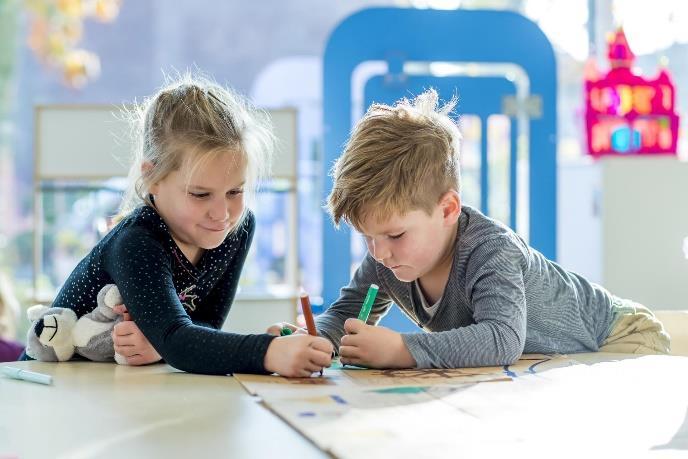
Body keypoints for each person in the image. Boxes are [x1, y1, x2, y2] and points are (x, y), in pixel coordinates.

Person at [271, 89, 670, 369]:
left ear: (447, 209)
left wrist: (402, 349)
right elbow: (342, 314)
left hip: (619, 336)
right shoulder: (385, 258)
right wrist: (314, 337)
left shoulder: (489, 249)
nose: (379, 252)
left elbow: (501, 339)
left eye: (394, 235)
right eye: (368, 237)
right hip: (555, 360)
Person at [22, 74, 332, 377]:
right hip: (49, 388)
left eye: (235, 191)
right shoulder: (136, 241)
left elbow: (205, 325)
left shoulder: (238, 227)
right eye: (200, 194)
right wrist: (268, 352)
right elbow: (178, 338)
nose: (222, 213)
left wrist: (162, 346)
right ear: (152, 178)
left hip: (119, 393)